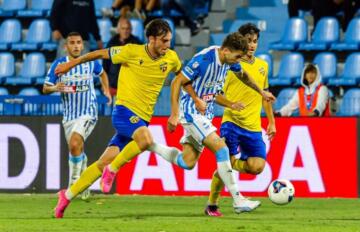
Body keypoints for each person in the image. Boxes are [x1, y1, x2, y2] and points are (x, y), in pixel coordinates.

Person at [102, 32, 276, 214]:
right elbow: (177, 81)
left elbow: (243, 76)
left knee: (187, 162)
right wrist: (175, 114)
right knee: (221, 149)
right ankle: (238, 200)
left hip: (204, 114)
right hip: (191, 113)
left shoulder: (229, 63)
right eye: (237, 56)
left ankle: (150, 146)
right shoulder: (204, 60)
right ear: (225, 50)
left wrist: (261, 93)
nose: (239, 61)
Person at [53, 19, 182, 218]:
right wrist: (71, 64)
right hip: (123, 112)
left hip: (141, 119)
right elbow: (98, 53)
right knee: (146, 140)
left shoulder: (171, 58)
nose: (167, 45)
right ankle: (112, 170)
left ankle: (66, 196)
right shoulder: (131, 51)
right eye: (164, 41)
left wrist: (180, 109)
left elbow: (182, 78)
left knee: (101, 163)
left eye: (169, 41)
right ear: (152, 39)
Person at [204, 23, 276, 216]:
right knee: (224, 163)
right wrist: (231, 104)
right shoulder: (229, 66)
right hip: (232, 122)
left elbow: (265, 95)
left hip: (253, 126)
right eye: (248, 41)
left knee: (257, 167)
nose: (252, 45)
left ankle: (230, 164)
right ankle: (212, 204)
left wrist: (271, 121)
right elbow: (214, 94)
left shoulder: (263, 66)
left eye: (255, 41)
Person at [43, 32, 112, 200]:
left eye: (78, 42)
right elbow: (45, 88)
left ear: (82, 45)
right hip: (69, 117)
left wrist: (106, 90)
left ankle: (73, 186)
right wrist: (55, 88)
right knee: (76, 148)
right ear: (66, 46)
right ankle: (84, 183)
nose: (75, 45)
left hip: (88, 112)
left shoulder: (90, 62)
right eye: (72, 43)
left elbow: (102, 73)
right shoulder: (59, 65)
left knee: (75, 144)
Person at [103, 18, 142, 96]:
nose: (125, 31)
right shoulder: (111, 43)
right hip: (114, 84)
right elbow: (105, 65)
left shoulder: (137, 43)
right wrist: (104, 84)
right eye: (123, 28)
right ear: (118, 30)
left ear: (131, 30)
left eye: (127, 28)